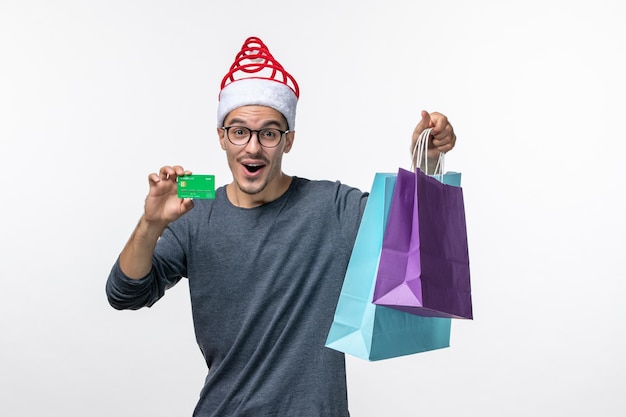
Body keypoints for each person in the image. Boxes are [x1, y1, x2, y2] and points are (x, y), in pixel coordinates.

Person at [106, 36, 457, 417]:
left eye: (269, 133)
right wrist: (151, 223)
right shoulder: (196, 208)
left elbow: (416, 242)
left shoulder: (331, 206)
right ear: (221, 138)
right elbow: (125, 293)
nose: (253, 148)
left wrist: (429, 160)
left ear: (288, 141)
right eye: (239, 131)